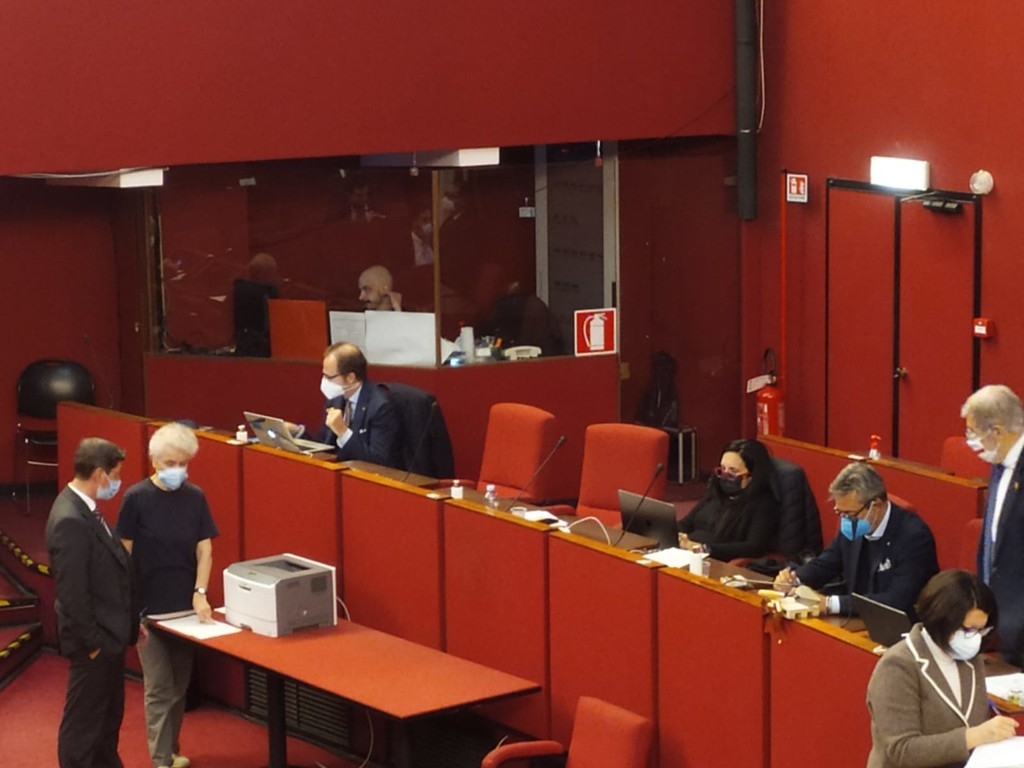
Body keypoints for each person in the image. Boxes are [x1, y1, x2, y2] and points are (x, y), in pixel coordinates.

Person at [115, 423, 218, 768]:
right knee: (159, 688)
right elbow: (123, 554)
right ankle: (161, 760)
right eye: (171, 463)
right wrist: (130, 607)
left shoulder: (196, 497)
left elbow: (205, 550)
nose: (178, 470)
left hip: (185, 611)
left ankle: (172, 751)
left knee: (179, 687)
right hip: (149, 611)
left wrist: (200, 592)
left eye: (183, 463)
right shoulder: (136, 498)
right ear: (155, 462)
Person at [866, 569, 1017, 768]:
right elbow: (902, 750)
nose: (975, 639)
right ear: (941, 619)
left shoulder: (972, 660)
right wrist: (973, 736)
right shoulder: (898, 665)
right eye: (968, 630)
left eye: (981, 631)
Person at [46, 437, 134, 768]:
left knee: (107, 720)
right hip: (94, 642)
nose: (117, 482)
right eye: (116, 474)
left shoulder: (86, 509)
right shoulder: (70, 518)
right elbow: (73, 591)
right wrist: (93, 643)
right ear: (99, 473)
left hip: (110, 635)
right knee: (83, 727)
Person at [774, 462, 938, 617]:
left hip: (899, 626)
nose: (845, 520)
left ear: (875, 505)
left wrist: (831, 604)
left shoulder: (914, 537)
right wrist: (795, 578)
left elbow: (898, 600)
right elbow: (826, 563)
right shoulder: (853, 526)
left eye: (849, 514)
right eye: (840, 513)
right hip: (857, 618)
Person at [960, 384, 1024, 664]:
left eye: (973, 432)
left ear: (996, 431)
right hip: (1002, 622)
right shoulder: (999, 464)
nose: (970, 441)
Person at [677, 439, 780, 560]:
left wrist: (703, 549)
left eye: (733, 472)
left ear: (752, 476)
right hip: (686, 554)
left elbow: (754, 547)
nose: (725, 476)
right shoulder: (715, 493)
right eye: (722, 469)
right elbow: (685, 524)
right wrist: (677, 535)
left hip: (714, 561)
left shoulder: (764, 504)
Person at [318, 341, 401, 467]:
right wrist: (297, 432)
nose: (325, 382)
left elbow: (378, 460)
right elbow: (322, 443)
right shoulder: (335, 399)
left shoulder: (380, 406)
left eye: (329, 377)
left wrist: (343, 432)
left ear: (350, 378)